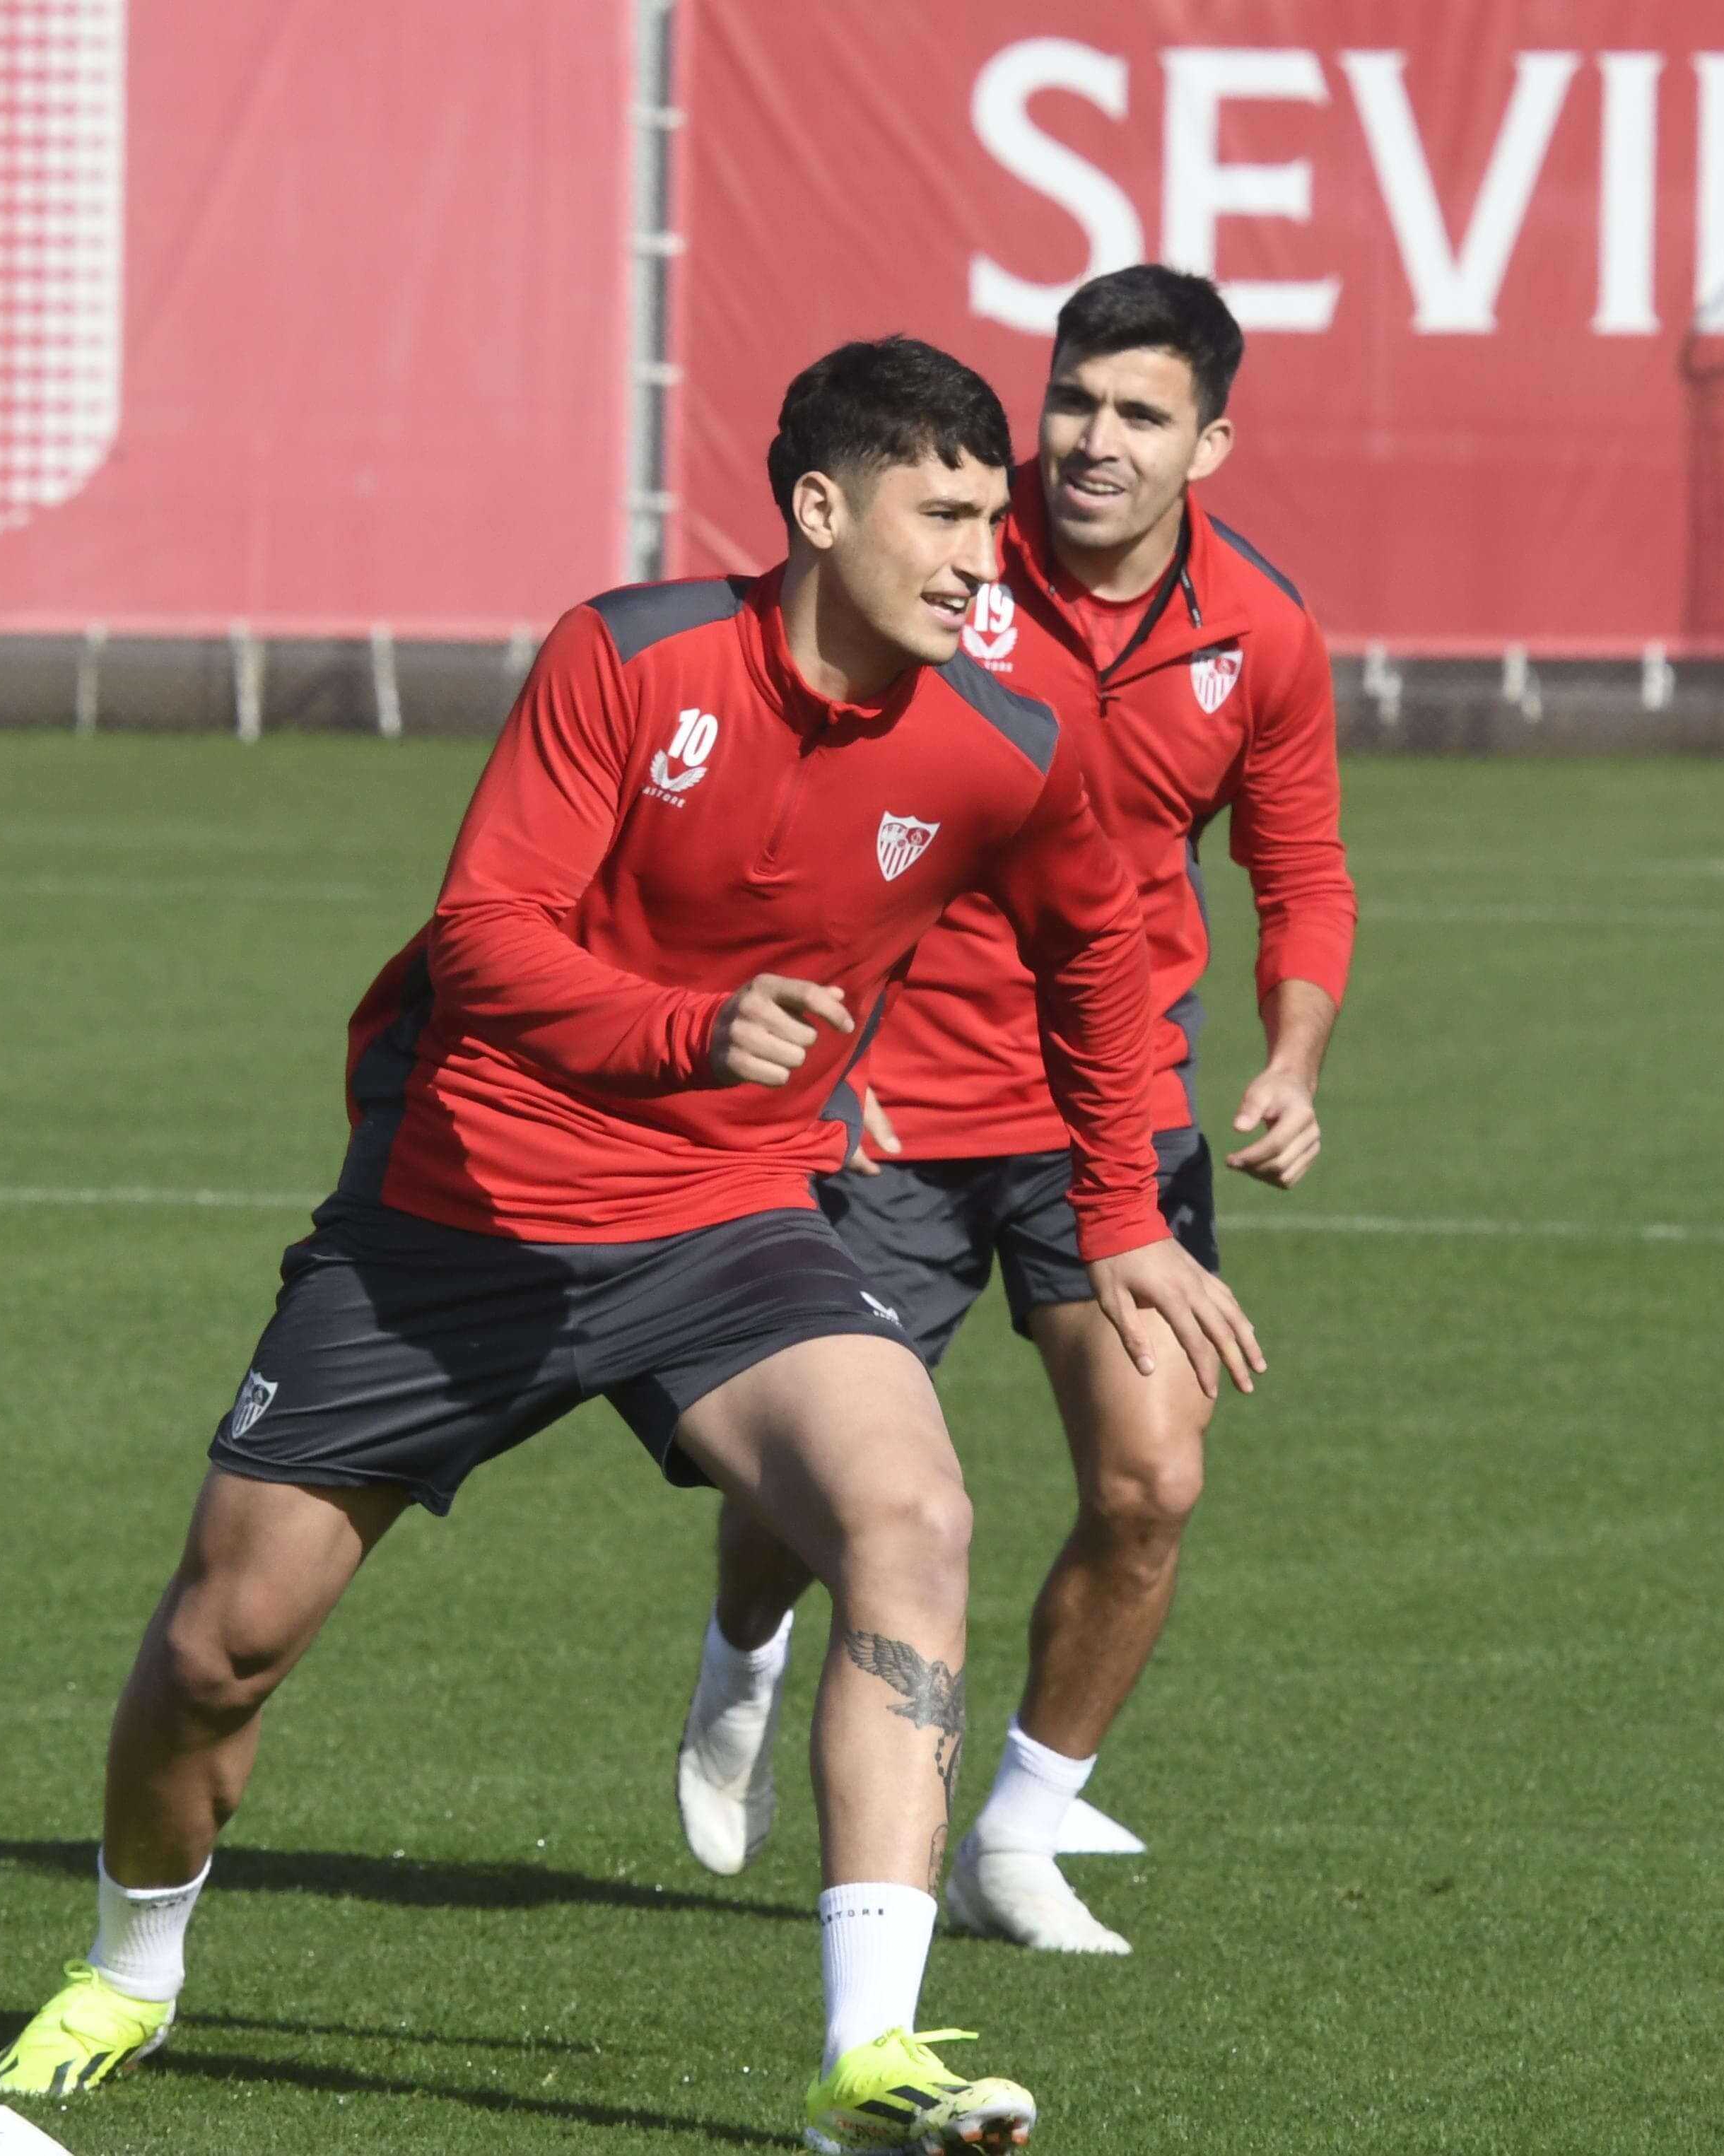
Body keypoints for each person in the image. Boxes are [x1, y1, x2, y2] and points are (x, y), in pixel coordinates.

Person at [0, 335, 1260, 2155]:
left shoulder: (1007, 737)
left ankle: (868, 2045)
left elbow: (1100, 967)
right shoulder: (630, 655)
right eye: (948, 512)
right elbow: (484, 933)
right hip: (460, 1217)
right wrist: (687, 1027)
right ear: (821, 509)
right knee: (218, 1650)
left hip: (731, 1219)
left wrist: (1122, 1216)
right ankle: (126, 1964)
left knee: (917, 1515)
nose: (991, 552)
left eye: (996, 515)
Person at [674, 267, 1354, 1957]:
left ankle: (1019, 1832)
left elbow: (1306, 871)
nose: (1092, 442)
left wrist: (1290, 1057)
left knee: (1155, 1482)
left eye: (1139, 415)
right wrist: (813, 1063)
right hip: (890, 1107)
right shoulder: (941, 569)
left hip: (1113, 1115)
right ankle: (741, 1656)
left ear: (1212, 442)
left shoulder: (1260, 631)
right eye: (1074, 402)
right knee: (803, 1494)